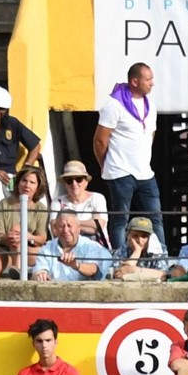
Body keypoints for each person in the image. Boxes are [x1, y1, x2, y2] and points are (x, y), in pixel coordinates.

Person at [93, 61, 163, 252]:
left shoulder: (151, 106)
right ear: (134, 81)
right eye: (148, 79)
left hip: (145, 172)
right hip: (120, 171)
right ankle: (119, 257)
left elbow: (150, 135)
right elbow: (100, 140)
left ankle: (161, 257)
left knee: (156, 217)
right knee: (120, 219)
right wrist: (106, 165)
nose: (152, 83)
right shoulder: (114, 105)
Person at [0, 164, 50, 280]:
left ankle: (18, 270)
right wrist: (11, 237)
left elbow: (42, 238)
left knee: (44, 259)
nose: (27, 185)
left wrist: (26, 236)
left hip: (29, 248)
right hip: (4, 247)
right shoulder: (4, 204)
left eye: (32, 182)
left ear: (38, 187)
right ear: (18, 183)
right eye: (24, 181)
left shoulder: (41, 208)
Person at [32, 209, 108, 282]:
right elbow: (38, 271)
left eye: (69, 226)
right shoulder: (46, 248)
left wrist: (76, 265)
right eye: (61, 226)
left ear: (78, 228)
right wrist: (41, 274)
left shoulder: (91, 245)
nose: (65, 230)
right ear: (56, 229)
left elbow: (93, 269)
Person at [49, 159, 108, 243]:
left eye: (79, 179)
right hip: (68, 247)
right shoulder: (57, 202)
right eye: (69, 180)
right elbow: (54, 230)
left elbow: (99, 225)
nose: (74, 183)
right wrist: (89, 224)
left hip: (96, 246)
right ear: (65, 184)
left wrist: (67, 226)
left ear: (86, 182)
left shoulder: (97, 198)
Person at [16, 319, 82, 375]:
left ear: (55, 342)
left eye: (48, 340)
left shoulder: (69, 373)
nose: (44, 345)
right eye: (39, 341)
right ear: (33, 344)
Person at [111, 215, 169, 281]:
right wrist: (137, 252)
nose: (139, 241)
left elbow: (163, 275)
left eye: (144, 236)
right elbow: (118, 273)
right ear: (128, 236)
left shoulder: (158, 249)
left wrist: (135, 270)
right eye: (135, 236)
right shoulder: (122, 250)